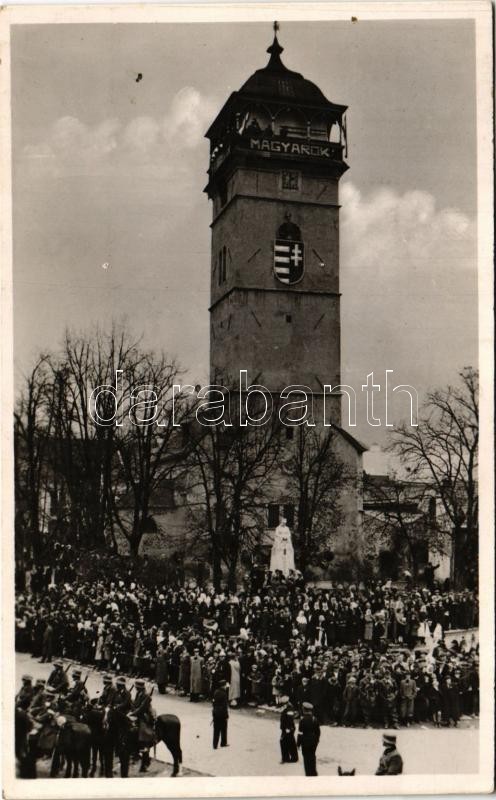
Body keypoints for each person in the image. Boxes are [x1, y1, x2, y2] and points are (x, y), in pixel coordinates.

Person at [131, 678, 155, 772]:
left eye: (137, 687)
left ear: (140, 688)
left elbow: (142, 708)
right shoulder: (139, 694)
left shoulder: (146, 696)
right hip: (138, 713)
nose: (136, 688)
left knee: (142, 729)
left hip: (145, 716)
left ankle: (144, 745)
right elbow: (136, 705)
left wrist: (133, 713)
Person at [297, 701, 320, 776]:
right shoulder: (314, 719)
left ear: (304, 710)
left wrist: (298, 744)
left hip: (305, 742)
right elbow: (318, 732)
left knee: (306, 759)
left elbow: (300, 733)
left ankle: (308, 774)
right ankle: (314, 772)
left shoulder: (302, 720)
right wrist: (316, 741)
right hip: (313, 742)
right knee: (312, 756)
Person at [212, 679, 229, 749]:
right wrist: (227, 715)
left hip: (215, 713)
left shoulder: (216, 692)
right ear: (223, 686)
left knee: (216, 730)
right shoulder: (224, 694)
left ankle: (215, 745)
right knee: (223, 729)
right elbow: (225, 706)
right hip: (222, 714)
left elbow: (213, 702)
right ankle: (223, 743)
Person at [279, 699, 298, 763]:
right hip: (287, 728)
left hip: (288, 728)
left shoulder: (289, 708)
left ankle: (286, 758)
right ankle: (293, 757)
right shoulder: (287, 707)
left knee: (284, 742)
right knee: (290, 742)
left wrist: (288, 728)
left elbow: (290, 719)